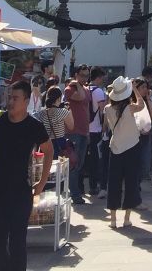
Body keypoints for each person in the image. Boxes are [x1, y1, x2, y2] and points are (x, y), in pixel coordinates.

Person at [0, 79, 52, 271]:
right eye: (9, 97)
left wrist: (42, 182)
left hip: (21, 192)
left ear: (26, 101)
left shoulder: (34, 125)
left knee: (17, 242)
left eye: (15, 98)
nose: (11, 101)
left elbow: (48, 150)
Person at [103, 76, 151, 229]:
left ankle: (112, 220)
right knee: (131, 182)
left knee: (114, 183)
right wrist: (134, 89)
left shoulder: (107, 109)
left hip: (115, 148)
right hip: (132, 147)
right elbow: (142, 104)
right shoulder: (130, 108)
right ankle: (126, 219)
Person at [64, 67, 92, 204]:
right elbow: (80, 98)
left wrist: (87, 132)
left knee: (79, 164)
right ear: (76, 75)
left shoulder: (86, 89)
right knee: (74, 165)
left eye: (87, 76)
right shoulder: (70, 89)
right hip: (73, 132)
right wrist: (77, 84)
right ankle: (75, 195)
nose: (85, 78)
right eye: (82, 75)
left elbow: (86, 109)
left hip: (83, 131)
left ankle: (74, 192)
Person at [37, 86, 74, 158]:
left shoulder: (41, 113)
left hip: (45, 144)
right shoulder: (63, 112)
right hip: (59, 144)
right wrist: (69, 110)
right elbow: (71, 127)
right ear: (59, 98)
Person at [87, 67, 108, 198]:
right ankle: (96, 185)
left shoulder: (86, 89)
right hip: (96, 129)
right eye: (102, 77)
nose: (103, 80)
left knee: (89, 159)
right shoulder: (98, 91)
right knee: (98, 159)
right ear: (98, 77)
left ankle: (91, 185)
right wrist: (105, 127)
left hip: (86, 128)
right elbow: (103, 110)